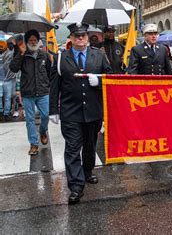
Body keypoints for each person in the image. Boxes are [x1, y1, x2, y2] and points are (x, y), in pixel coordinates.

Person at [49, 22, 112, 204]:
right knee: (72, 148)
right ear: (71, 38)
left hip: (93, 111)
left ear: (87, 37)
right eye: (76, 36)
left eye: (83, 35)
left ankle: (87, 171)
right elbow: (55, 86)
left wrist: (99, 81)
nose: (80, 39)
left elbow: (111, 78)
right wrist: (53, 110)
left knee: (90, 145)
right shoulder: (62, 58)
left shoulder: (99, 56)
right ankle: (76, 186)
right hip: (71, 113)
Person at [10, 30, 52, 156]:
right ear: (27, 42)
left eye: (35, 40)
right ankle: (34, 143)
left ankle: (43, 131)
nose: (33, 42)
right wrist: (21, 54)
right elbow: (13, 68)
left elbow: (50, 72)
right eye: (30, 40)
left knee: (45, 115)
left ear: (38, 41)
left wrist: (47, 84)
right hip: (28, 93)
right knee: (30, 120)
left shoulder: (44, 55)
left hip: (43, 91)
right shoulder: (22, 54)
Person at [0, 40, 16, 121]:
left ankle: (5, 113)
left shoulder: (9, 53)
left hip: (7, 79)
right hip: (5, 80)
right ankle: (3, 113)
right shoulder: (9, 53)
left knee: (7, 98)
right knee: (6, 97)